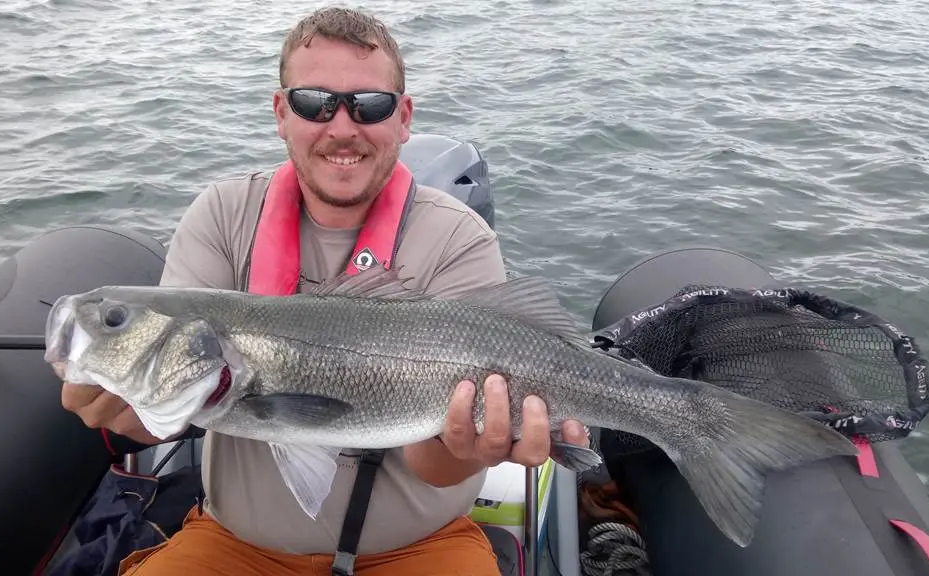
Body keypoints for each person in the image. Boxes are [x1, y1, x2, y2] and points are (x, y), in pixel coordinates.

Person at [60, 6, 589, 576]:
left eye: (371, 106)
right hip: (232, 543)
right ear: (281, 113)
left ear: (404, 118)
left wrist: (471, 447)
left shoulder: (458, 236)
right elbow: (168, 405)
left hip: (424, 547)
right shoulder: (222, 214)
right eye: (314, 102)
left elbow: (438, 466)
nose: (342, 128)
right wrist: (129, 407)